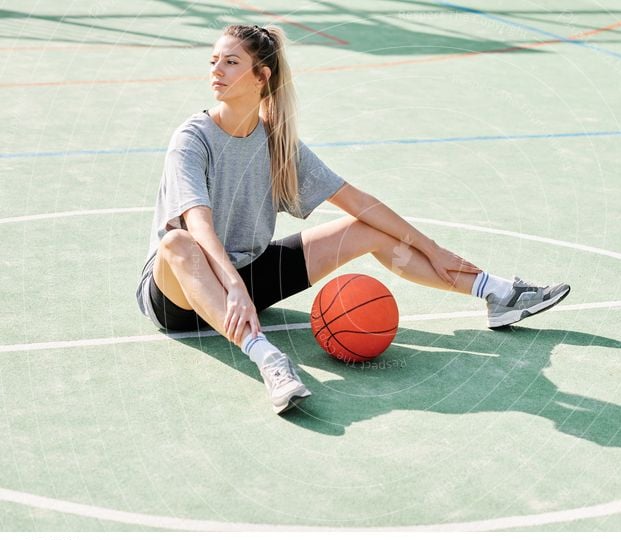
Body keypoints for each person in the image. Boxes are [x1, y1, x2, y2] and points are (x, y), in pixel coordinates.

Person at [135, 24, 570, 415]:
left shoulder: (276, 141)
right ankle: (268, 359)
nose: (217, 70)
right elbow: (198, 224)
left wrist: (431, 247)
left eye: (231, 62)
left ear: (261, 77)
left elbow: (357, 201)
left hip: (246, 279)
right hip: (180, 295)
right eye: (214, 61)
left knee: (365, 230)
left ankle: (496, 293)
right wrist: (233, 287)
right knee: (178, 243)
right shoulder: (192, 139)